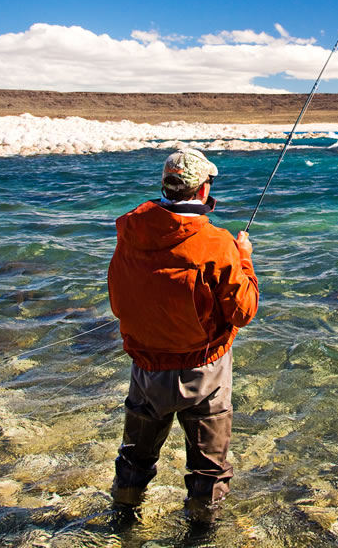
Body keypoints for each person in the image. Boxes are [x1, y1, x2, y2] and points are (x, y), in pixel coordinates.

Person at [107, 147, 258, 518]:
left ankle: (122, 523)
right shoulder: (219, 242)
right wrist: (244, 259)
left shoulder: (128, 229)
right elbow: (244, 312)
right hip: (204, 371)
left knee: (135, 459)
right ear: (203, 190)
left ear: (166, 185)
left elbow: (118, 298)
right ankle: (201, 533)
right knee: (209, 470)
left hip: (145, 369)